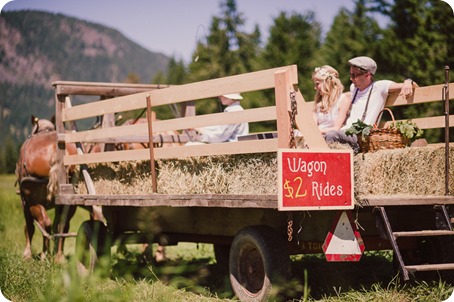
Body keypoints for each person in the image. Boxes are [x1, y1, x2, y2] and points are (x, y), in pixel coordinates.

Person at [324, 56, 417, 152]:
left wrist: (408, 81)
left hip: (361, 137)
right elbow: (344, 96)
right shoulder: (354, 88)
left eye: (354, 75)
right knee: (319, 139)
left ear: (367, 75)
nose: (351, 78)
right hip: (346, 132)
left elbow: (412, 86)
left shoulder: (379, 87)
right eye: (350, 75)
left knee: (331, 135)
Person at [312, 65, 352, 134]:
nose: (315, 88)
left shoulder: (342, 100)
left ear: (327, 82)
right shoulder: (318, 104)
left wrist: (316, 131)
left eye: (317, 84)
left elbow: (336, 128)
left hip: (332, 138)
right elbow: (313, 126)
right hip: (316, 137)